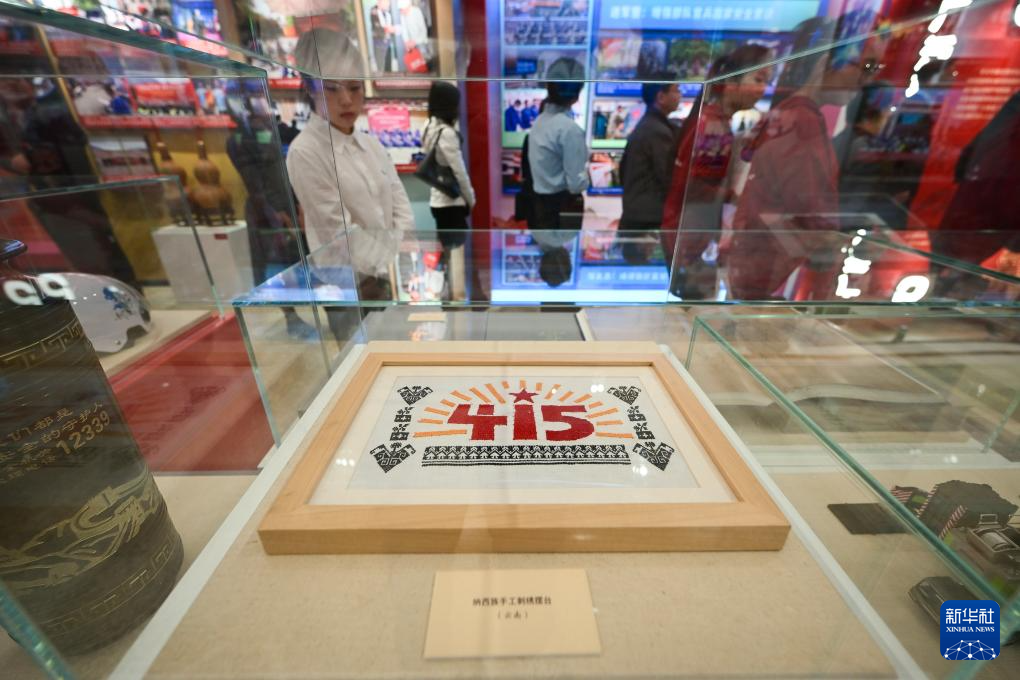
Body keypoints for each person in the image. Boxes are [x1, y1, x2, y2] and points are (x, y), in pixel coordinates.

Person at [726, 14, 882, 300]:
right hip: (766, 271)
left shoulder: (790, 113)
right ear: (825, 62)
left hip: (759, 267)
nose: (866, 79)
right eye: (865, 65)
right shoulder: (803, 124)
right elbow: (812, 216)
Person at [286, 28, 413, 301]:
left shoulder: (372, 145)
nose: (346, 100)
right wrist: (386, 264)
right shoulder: (305, 152)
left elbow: (402, 209)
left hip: (386, 277)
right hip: (346, 289)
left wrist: (394, 263)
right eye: (332, 89)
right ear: (310, 88)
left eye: (354, 88)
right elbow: (338, 233)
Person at [659, 44, 772, 297]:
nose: (762, 89)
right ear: (731, 82)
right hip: (692, 244)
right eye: (758, 79)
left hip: (688, 240)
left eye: (766, 81)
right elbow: (700, 196)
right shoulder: (714, 127)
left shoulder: (714, 121)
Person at [527, 58, 588, 229]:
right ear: (577, 93)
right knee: (564, 245)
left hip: (540, 203)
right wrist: (587, 178)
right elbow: (576, 184)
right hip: (562, 206)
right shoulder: (569, 129)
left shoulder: (539, 121)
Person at [618, 75, 681, 230]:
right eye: (676, 90)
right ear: (661, 97)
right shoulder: (658, 131)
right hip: (648, 218)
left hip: (638, 213)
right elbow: (667, 175)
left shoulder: (648, 125)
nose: (680, 95)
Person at [421, 81, 475, 246]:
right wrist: (470, 198)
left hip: (436, 200)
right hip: (452, 203)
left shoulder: (427, 127)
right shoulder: (447, 133)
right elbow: (459, 171)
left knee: (447, 247)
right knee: (458, 247)